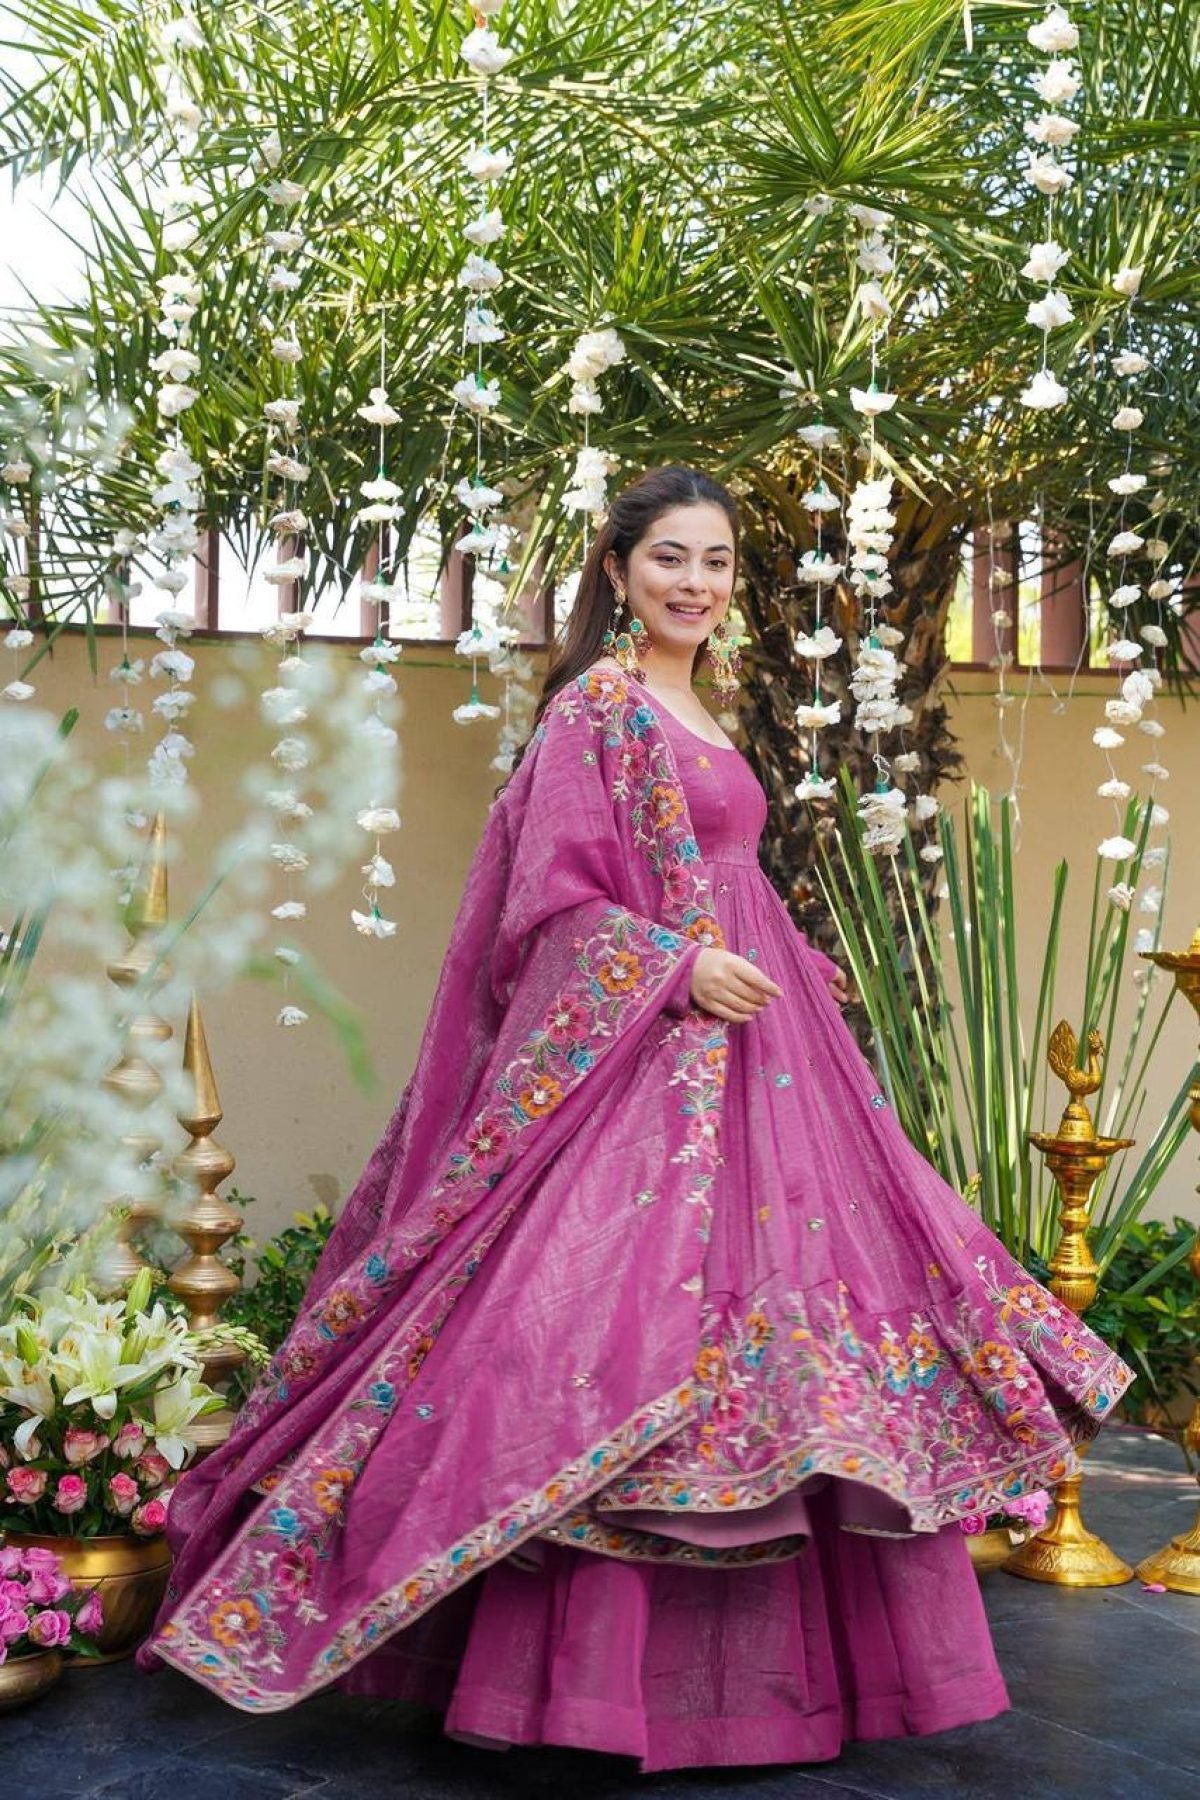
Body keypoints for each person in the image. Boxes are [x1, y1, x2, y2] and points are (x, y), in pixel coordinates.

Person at [140, 464, 1133, 1771]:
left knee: (800, 1345)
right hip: (650, 1073)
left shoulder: (701, 704)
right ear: (617, 571)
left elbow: (726, 872)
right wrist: (672, 965)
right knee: (593, 1343)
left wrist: (781, 956)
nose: (695, 583)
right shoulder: (595, 710)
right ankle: (577, 1689)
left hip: (768, 1067)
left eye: (716, 562)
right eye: (670, 557)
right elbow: (546, 911)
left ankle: (781, 1694)